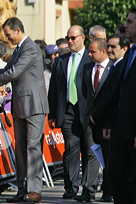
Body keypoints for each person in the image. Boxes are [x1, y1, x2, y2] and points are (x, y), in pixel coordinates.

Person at [0, 17, 49, 203]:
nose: (7, 38)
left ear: (18, 30)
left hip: (34, 106)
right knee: (20, 149)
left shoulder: (30, 48)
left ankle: (34, 190)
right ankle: (22, 189)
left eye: (8, 34)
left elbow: (14, 72)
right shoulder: (19, 50)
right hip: (20, 106)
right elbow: (5, 69)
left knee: (33, 148)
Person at [48, 25, 92, 200]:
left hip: (87, 113)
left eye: (74, 38)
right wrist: (52, 114)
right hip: (67, 111)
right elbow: (54, 89)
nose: (70, 41)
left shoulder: (91, 59)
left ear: (83, 38)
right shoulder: (61, 60)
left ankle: (88, 187)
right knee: (70, 150)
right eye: (68, 38)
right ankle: (71, 187)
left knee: (89, 151)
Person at [91, 34, 130, 202]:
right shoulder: (116, 66)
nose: (109, 50)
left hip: (117, 125)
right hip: (109, 124)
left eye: (113, 47)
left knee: (115, 170)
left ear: (124, 49)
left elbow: (112, 97)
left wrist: (98, 116)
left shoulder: (122, 68)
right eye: (109, 46)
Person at [106, 7, 136, 203]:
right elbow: (120, 91)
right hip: (121, 129)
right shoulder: (131, 52)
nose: (126, 25)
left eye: (130, 22)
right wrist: (109, 122)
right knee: (114, 174)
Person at [76, 38, 112, 202]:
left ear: (103, 51)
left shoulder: (113, 68)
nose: (89, 54)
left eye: (93, 51)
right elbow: (84, 92)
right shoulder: (87, 68)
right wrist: (88, 113)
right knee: (91, 153)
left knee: (108, 154)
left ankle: (108, 189)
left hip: (107, 120)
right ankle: (88, 190)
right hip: (89, 119)